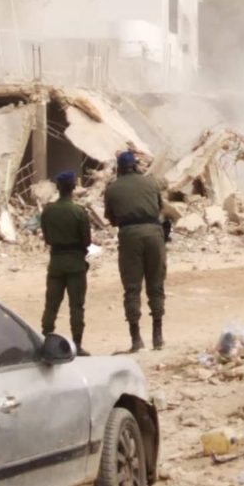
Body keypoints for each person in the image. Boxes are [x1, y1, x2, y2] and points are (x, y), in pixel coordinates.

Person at [104, 151, 166, 352]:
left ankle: (136, 339)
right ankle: (158, 336)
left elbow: (111, 218)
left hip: (129, 235)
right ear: (136, 166)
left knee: (132, 288)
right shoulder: (151, 183)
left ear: (119, 169)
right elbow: (159, 209)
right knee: (156, 284)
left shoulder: (112, 189)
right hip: (154, 234)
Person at [40, 171, 91, 356]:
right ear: (74, 188)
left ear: (58, 188)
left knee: (51, 304)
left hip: (56, 262)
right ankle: (77, 343)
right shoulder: (79, 211)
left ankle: (45, 339)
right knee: (76, 306)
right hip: (76, 262)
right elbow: (86, 240)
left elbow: (46, 237)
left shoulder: (48, 211)